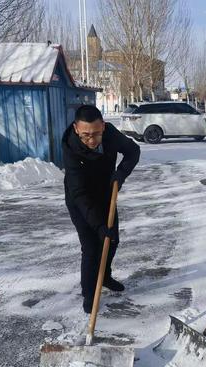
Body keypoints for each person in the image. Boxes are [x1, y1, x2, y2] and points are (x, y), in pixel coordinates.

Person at [63, 105, 140, 313]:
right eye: (86, 135)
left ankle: (104, 277)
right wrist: (98, 225)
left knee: (111, 240)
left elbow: (133, 151)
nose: (91, 140)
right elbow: (79, 195)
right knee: (91, 247)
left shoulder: (110, 134)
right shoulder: (70, 149)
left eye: (96, 134)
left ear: (103, 127)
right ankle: (89, 294)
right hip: (81, 200)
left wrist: (120, 174)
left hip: (106, 194)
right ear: (76, 128)